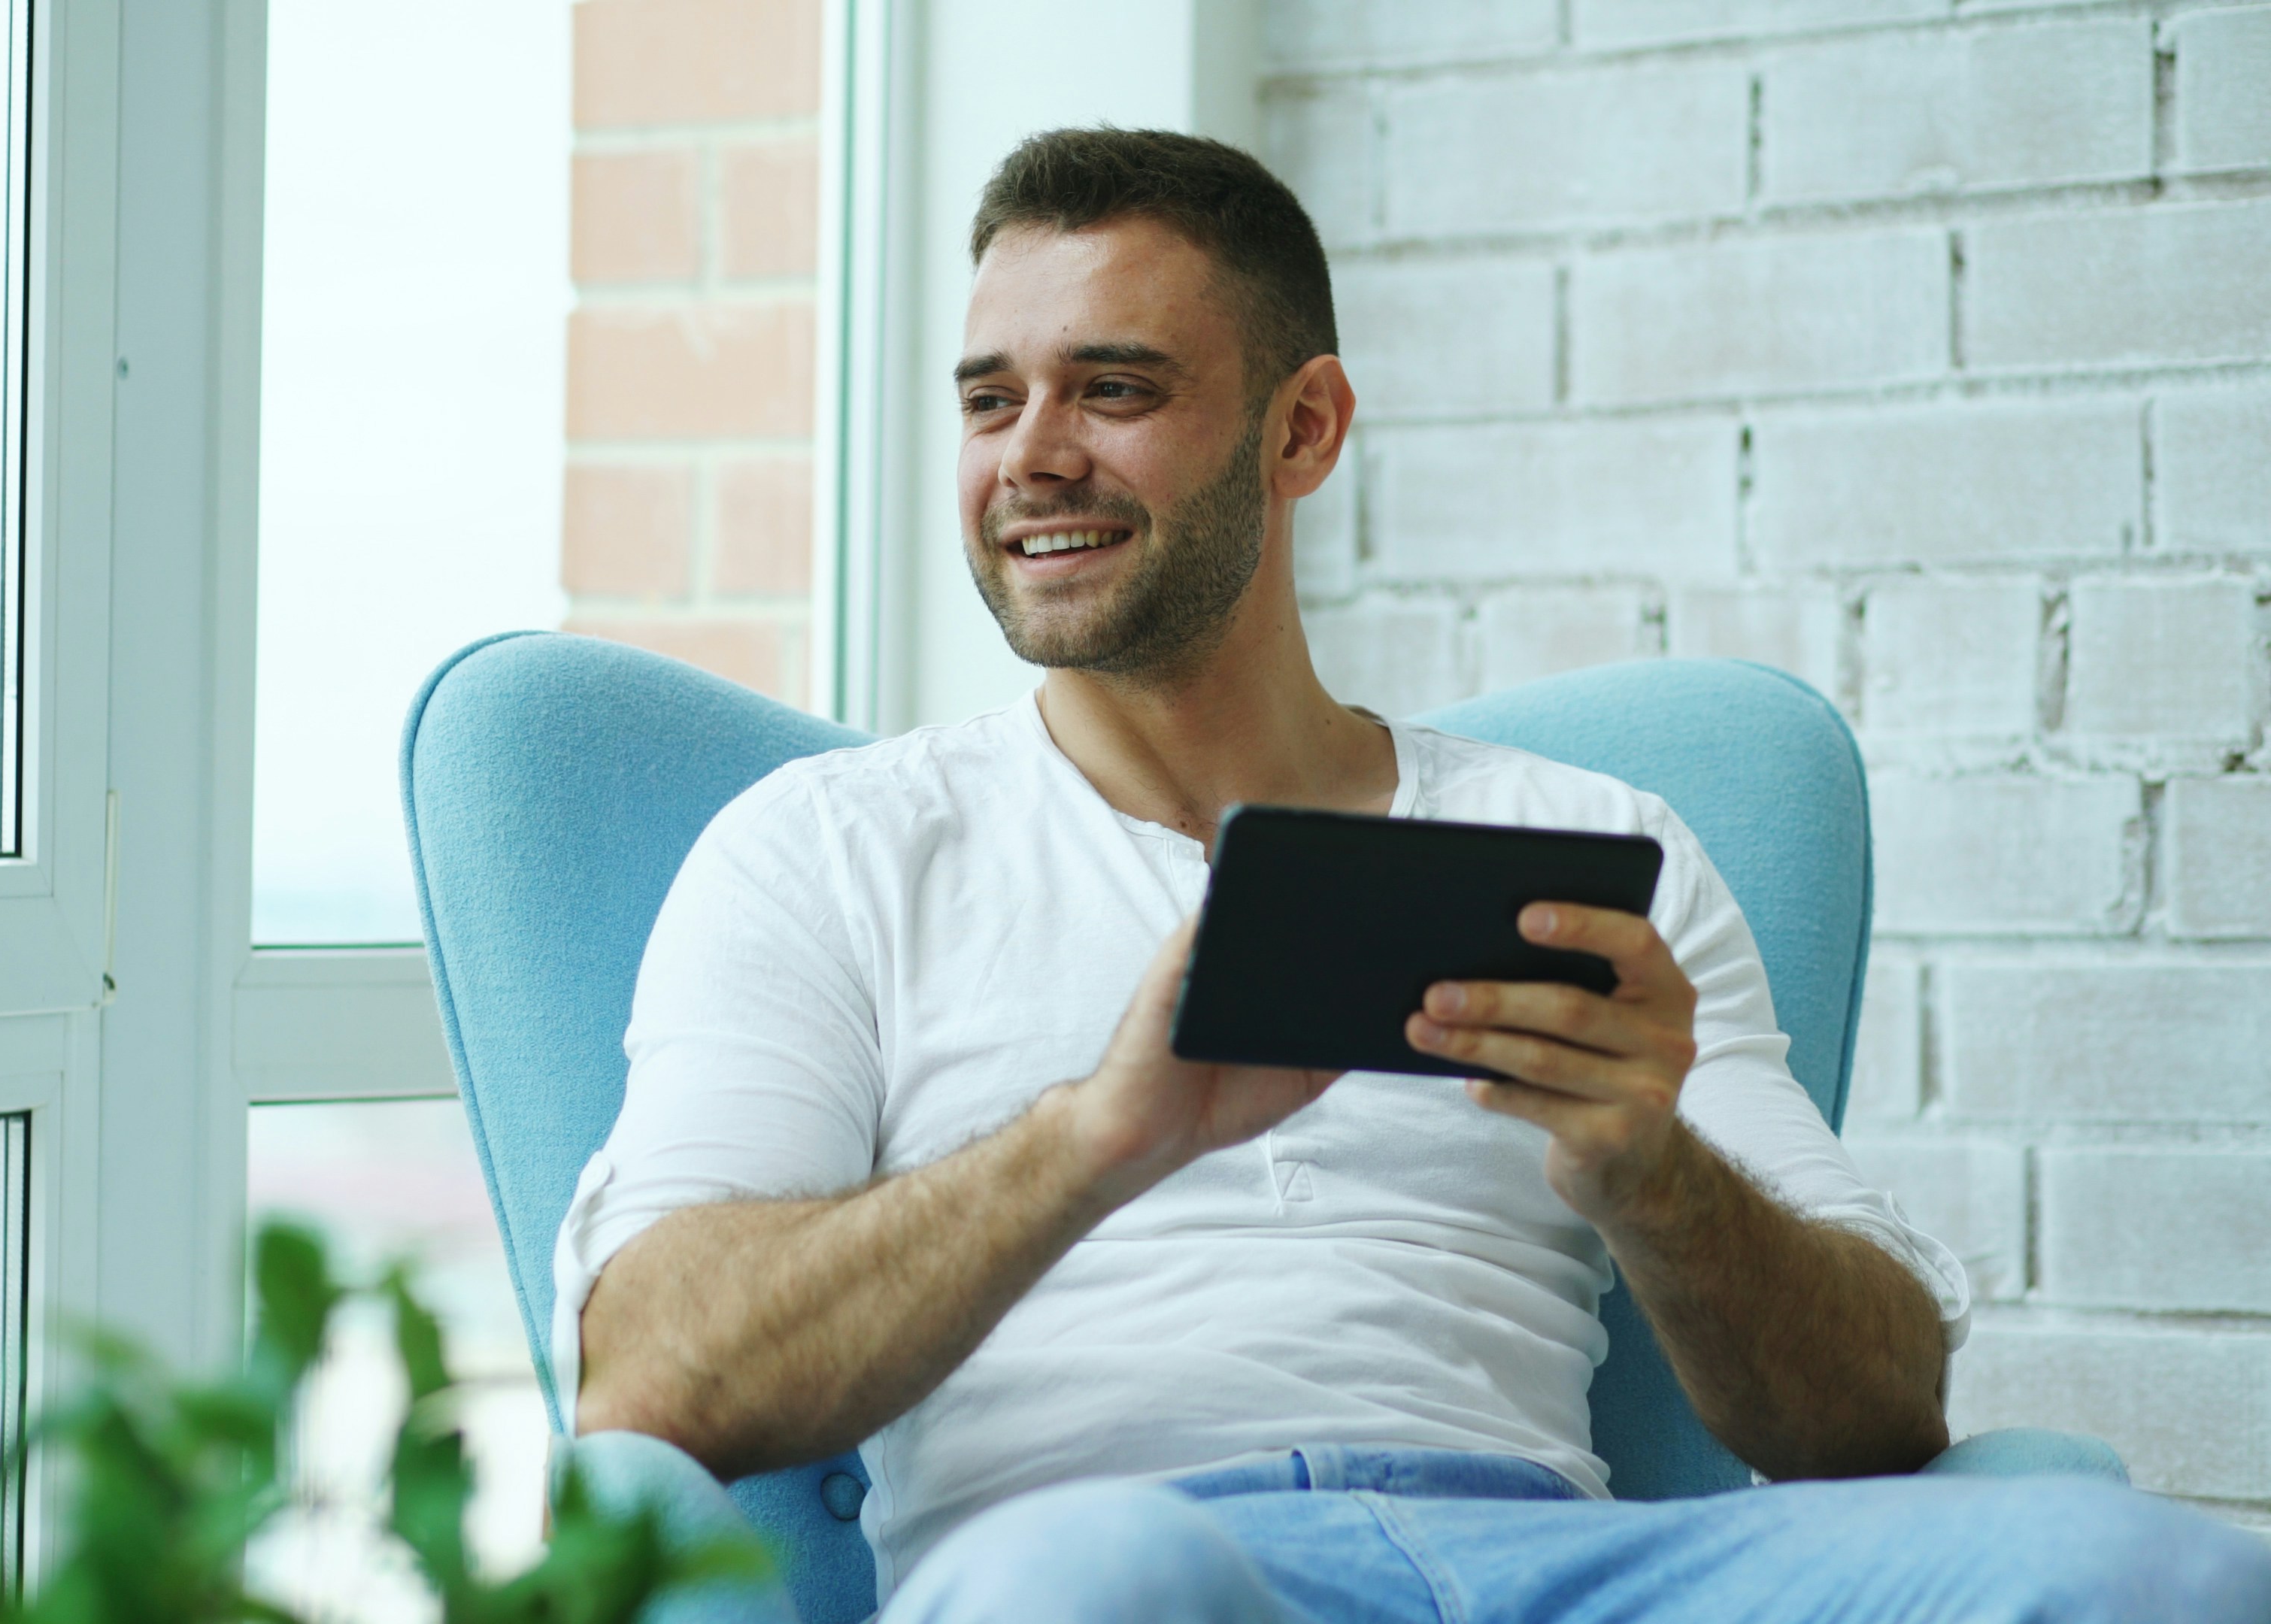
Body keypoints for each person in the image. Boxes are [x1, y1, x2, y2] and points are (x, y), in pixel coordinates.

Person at [551, 128, 2271, 1622]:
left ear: (1304, 433)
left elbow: (1880, 1419)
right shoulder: (828, 854)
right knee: (1084, 1594)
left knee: (2161, 1579)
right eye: (992, 399)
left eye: (1116, 388)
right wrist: (1099, 1137)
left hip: (1561, 1570)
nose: (1032, 455)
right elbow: (652, 1367)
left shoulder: (1598, 852)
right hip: (1137, 1570)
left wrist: (1649, 1167)